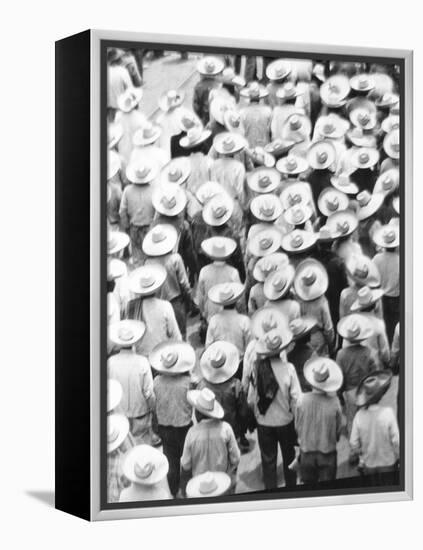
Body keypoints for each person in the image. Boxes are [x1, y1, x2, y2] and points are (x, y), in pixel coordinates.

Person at [248, 329, 301, 489]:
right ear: (282, 349)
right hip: (286, 421)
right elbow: (297, 401)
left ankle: (271, 493)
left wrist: (258, 414)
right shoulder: (289, 368)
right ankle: (291, 489)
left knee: (268, 462)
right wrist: (297, 422)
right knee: (289, 460)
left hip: (264, 423)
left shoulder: (257, 368)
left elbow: (251, 399)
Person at [149, 341, 196, 497]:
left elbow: (154, 402)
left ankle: (173, 490)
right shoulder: (188, 382)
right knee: (186, 460)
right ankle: (187, 489)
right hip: (184, 426)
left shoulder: (156, 382)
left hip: (165, 427)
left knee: (171, 461)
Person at [180, 388, 241, 494]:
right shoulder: (225, 429)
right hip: (223, 483)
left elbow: (185, 464)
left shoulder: (192, 433)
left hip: (200, 486)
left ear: (198, 413)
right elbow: (235, 458)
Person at [142, 224, 196, 339]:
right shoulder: (175, 259)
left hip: (158, 304)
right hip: (176, 302)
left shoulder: (147, 263)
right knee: (180, 337)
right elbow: (184, 284)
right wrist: (190, 301)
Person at [295, 358, 343, 485]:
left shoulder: (301, 400)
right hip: (327, 452)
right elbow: (339, 428)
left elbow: (297, 426)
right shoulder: (334, 403)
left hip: (306, 452)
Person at [108, 320, 157, 445]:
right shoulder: (142, 362)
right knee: (142, 449)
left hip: (119, 414)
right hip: (140, 413)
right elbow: (149, 392)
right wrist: (154, 409)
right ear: (135, 341)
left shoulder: (110, 363)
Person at [349, 371, 399, 486]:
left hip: (369, 463)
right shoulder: (388, 413)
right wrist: (398, 456)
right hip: (388, 462)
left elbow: (353, 442)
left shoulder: (359, 415)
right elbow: (396, 440)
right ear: (380, 394)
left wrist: (361, 455)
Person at [198, 340, 250, 451]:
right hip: (231, 431)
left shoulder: (202, 386)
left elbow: (199, 413)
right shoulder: (235, 385)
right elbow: (243, 412)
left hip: (209, 433)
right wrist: (242, 430)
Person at [127, 264, 182, 356]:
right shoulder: (165, 306)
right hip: (162, 356)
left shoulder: (131, 307)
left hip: (141, 356)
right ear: (156, 289)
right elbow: (176, 334)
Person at [336, 314, 377, 435]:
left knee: (352, 420)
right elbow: (374, 374)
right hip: (365, 390)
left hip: (350, 392)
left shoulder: (341, 354)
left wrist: (340, 394)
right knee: (367, 417)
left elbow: (339, 377)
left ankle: (354, 443)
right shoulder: (368, 352)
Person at [119, 157, 158, 265]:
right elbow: (157, 211)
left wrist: (126, 226)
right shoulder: (153, 190)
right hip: (150, 228)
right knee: (151, 256)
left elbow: (122, 211)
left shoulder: (127, 191)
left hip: (134, 227)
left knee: (137, 258)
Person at [294, 259, 335, 357]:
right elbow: (328, 328)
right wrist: (331, 345)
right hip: (319, 338)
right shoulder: (322, 302)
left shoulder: (299, 301)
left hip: (305, 338)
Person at [372, 224, 400, 344]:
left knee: (382, 324)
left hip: (380, 297)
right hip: (395, 298)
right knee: (394, 326)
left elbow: (371, 278)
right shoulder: (400, 260)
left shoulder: (377, 259)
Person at [193, 56, 225, 125]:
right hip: (218, 117)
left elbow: (196, 106)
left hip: (205, 117)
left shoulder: (198, 87)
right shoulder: (219, 85)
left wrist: (200, 116)